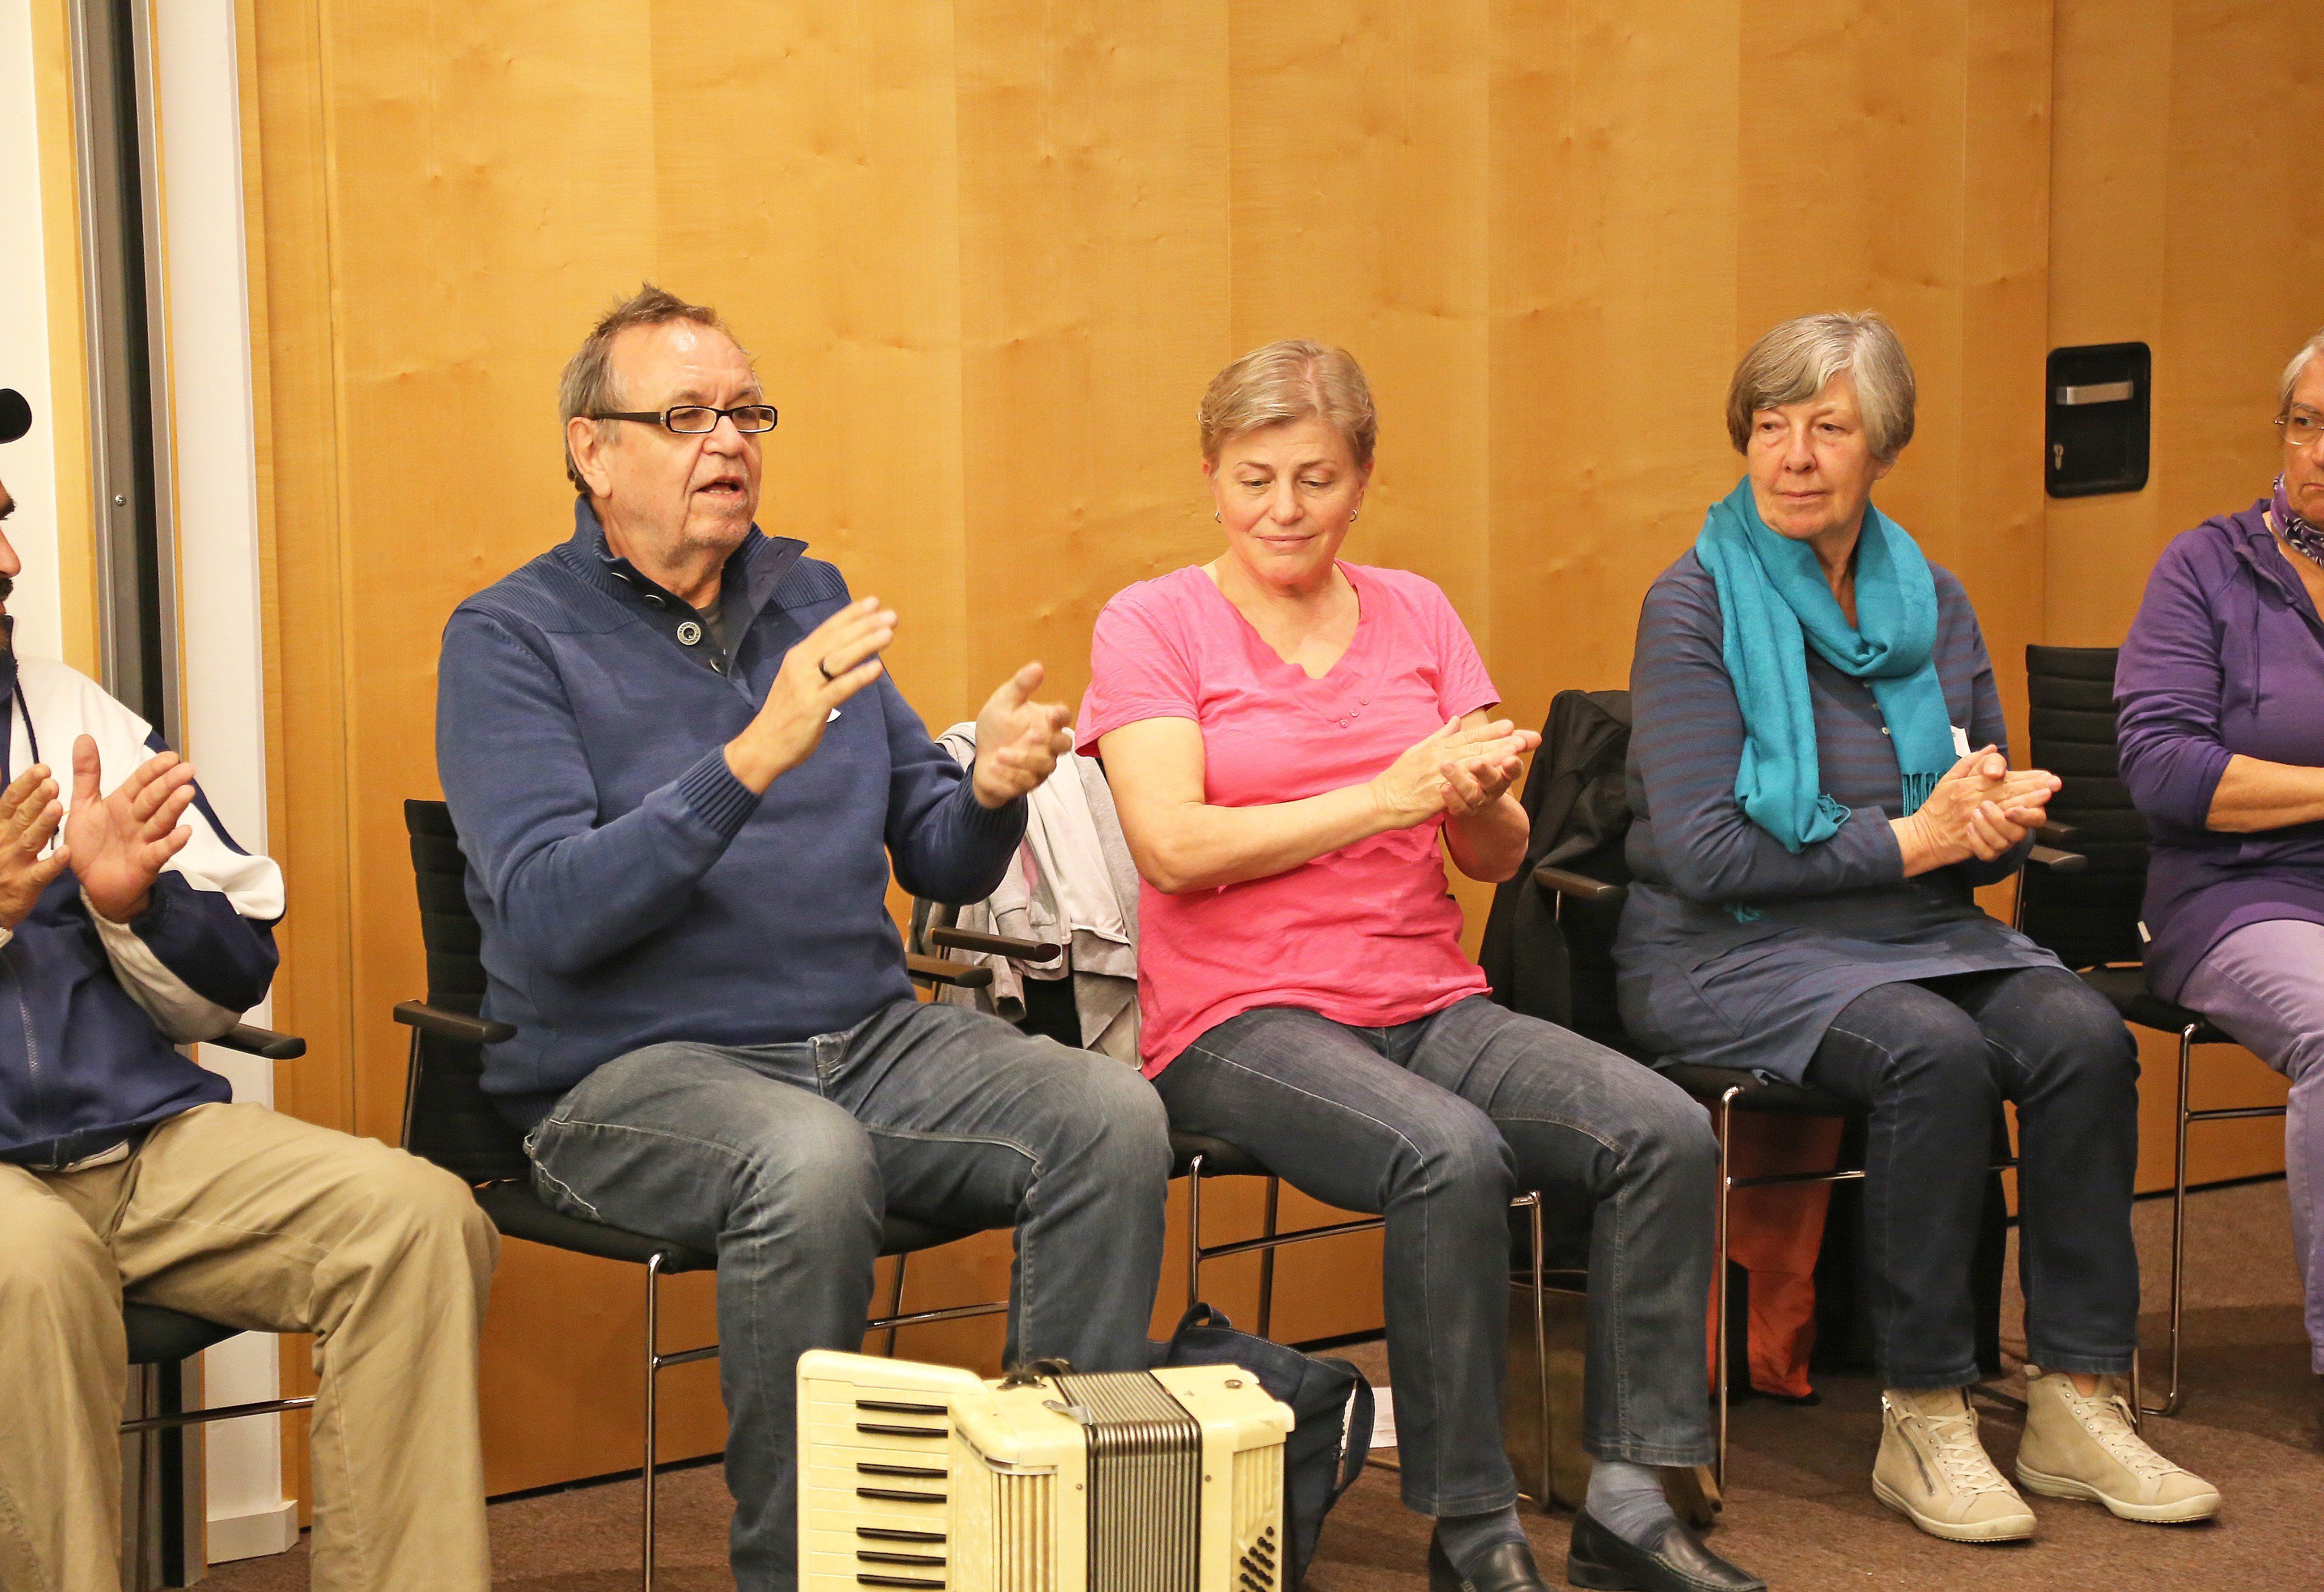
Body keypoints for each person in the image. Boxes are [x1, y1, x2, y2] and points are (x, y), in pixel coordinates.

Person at [436, 286, 1171, 1592]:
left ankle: (1055, 1544)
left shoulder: (806, 598)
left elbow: (935, 852)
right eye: (685, 416)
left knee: (1110, 1114)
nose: (729, 441)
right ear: (591, 450)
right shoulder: (509, 639)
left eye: (745, 413)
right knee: (808, 1159)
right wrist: (750, 758)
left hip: (865, 1041)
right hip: (623, 1075)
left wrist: (990, 790)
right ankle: (799, 1571)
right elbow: (550, 911)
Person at [1081, 340, 1762, 1592]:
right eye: (1254, 480)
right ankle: (1474, 1528)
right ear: (1212, 477)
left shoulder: (1417, 611)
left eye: (1317, 479)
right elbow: (1173, 848)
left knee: (1662, 1131)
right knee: (1448, 1154)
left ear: (1363, 478)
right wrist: (1386, 794)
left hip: (1427, 997)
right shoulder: (1154, 622)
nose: (1285, 510)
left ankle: (1627, 1503)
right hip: (1239, 1018)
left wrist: (1483, 797)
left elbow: (1495, 857)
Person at [1613, 312, 2219, 1545]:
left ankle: (2075, 1395)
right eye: (1770, 426)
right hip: (1728, 949)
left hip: (1917, 934)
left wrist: (1994, 818)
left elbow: (1968, 803)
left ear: (1882, 449)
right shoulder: (1692, 604)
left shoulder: (1928, 599)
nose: (1793, 456)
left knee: (2082, 1035)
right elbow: (1706, 853)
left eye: (1827, 428)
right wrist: (1911, 840)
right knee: (1930, 1055)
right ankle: (1927, 1411)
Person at [0, 388, 497, 1592]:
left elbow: (244, 953)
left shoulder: (67, 712)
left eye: (3, 520)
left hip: (141, 1148)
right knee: (33, 1265)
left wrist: (136, 903)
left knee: (416, 1219)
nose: (7, 557)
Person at [2117, 326, 2324, 1380]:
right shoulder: (2207, 567)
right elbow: (2162, 769)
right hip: (2240, 895)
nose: (2319, 453)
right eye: (2306, 423)